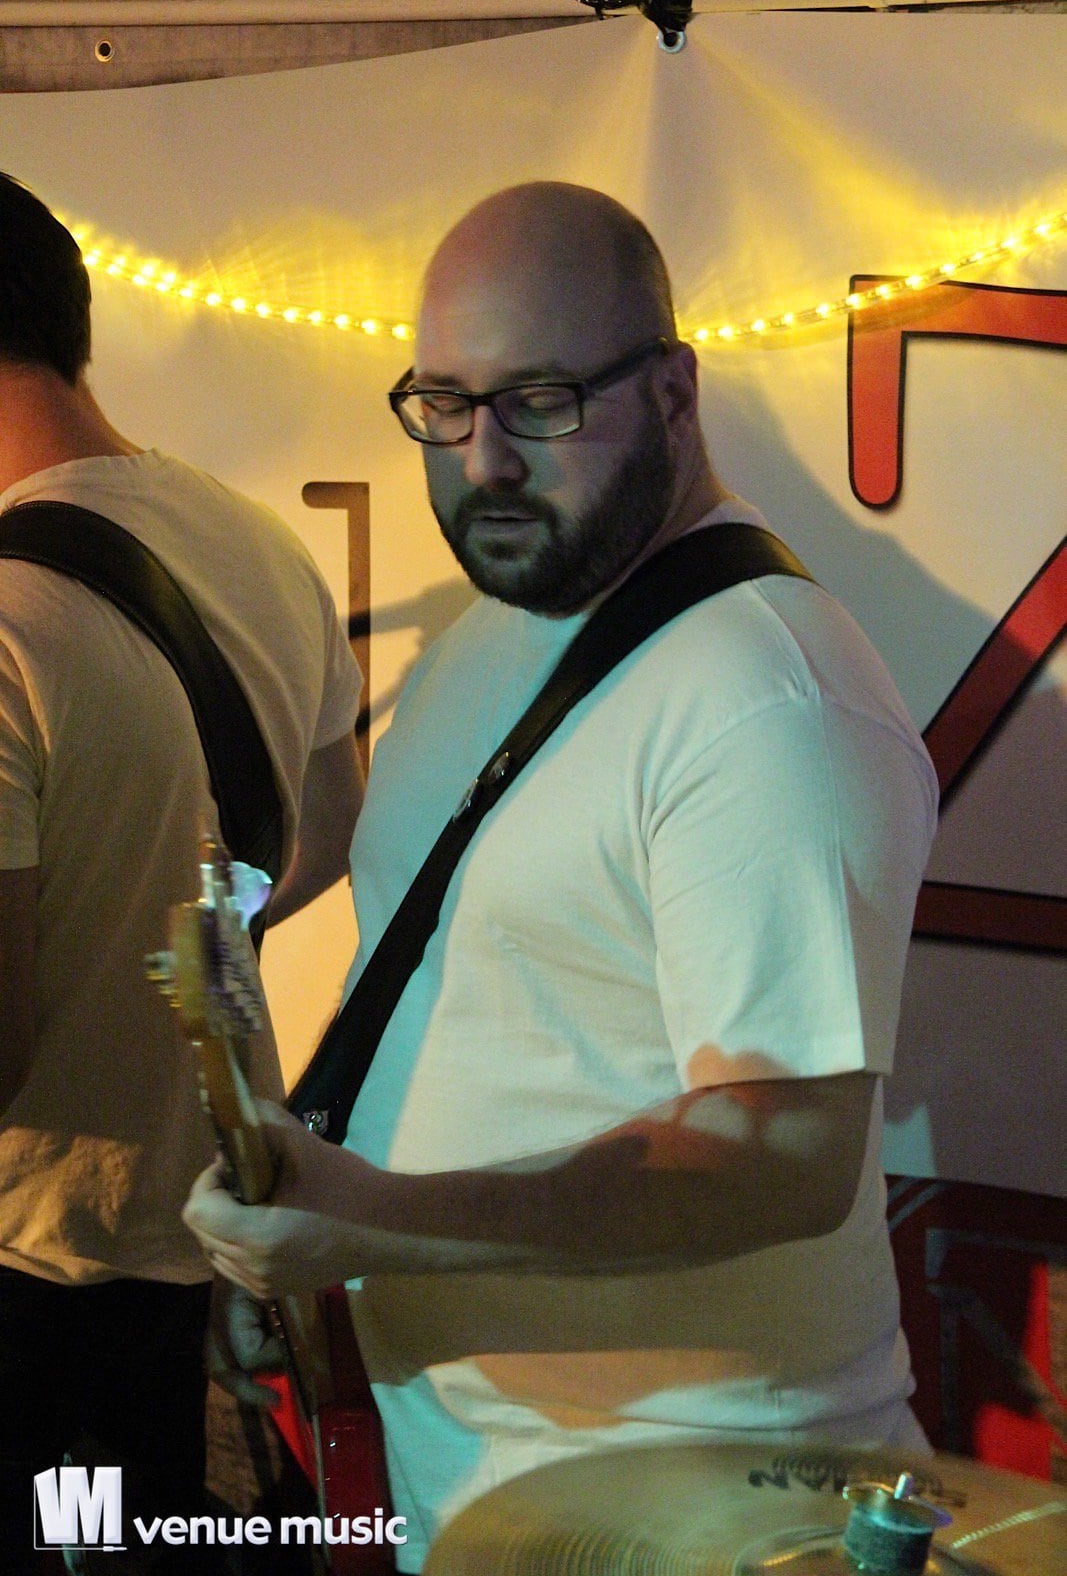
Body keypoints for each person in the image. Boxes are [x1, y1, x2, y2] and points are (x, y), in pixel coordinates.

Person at [184, 182, 939, 1574]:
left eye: (540, 402)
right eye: (444, 405)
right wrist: (303, 1238)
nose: (485, 461)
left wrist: (369, 1220)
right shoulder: (500, 631)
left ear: (673, 394)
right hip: (483, 1484)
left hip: (711, 1511)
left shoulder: (767, 697)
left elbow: (781, 1162)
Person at [0, 171, 364, 1570]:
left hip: (35, 1260)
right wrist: (175, 950)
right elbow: (331, 827)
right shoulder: (255, 540)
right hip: (200, 1223)